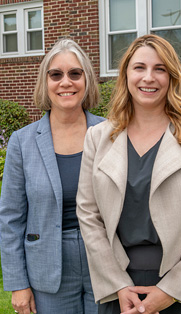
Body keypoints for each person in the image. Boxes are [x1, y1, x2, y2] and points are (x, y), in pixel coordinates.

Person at [76, 34, 181, 314]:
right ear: (126, 75)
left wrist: (171, 290)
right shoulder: (97, 138)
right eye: (139, 68)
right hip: (121, 290)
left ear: (172, 76)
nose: (149, 77)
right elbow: (88, 214)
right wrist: (118, 284)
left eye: (160, 69)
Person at [0, 38, 104, 314]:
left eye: (75, 73)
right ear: (45, 83)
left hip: (106, 265)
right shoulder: (22, 142)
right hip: (46, 269)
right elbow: (10, 217)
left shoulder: (110, 133)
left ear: (87, 80)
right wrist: (17, 283)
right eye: (55, 74)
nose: (65, 82)